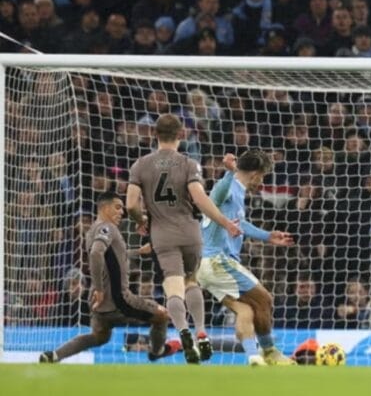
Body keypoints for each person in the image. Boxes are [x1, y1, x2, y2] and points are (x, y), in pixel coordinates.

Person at [126, 113, 241, 363]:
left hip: (162, 235)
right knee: (192, 283)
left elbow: (131, 203)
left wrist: (140, 221)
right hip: (190, 232)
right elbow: (200, 199)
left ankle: (183, 331)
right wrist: (225, 223)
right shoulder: (189, 164)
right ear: (181, 135)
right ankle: (201, 330)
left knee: (173, 289)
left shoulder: (140, 165)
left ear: (155, 135)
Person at [40, 193, 180, 363]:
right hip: (118, 299)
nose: (122, 212)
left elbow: (110, 257)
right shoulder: (107, 228)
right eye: (118, 207)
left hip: (99, 305)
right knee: (162, 315)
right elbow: (96, 253)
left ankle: (54, 355)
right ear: (105, 208)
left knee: (99, 337)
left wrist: (138, 252)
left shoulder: (92, 231)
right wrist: (99, 289)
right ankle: (157, 352)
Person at [196, 151, 295, 366]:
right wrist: (229, 173)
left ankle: (253, 357)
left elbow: (240, 224)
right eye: (263, 176)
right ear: (256, 173)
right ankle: (269, 352)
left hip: (206, 266)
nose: (261, 182)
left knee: (245, 310)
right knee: (265, 300)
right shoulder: (230, 187)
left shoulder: (238, 193)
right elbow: (213, 199)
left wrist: (268, 236)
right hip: (218, 260)